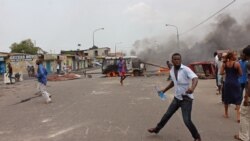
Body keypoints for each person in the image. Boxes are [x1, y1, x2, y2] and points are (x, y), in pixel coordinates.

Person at [148, 53, 201, 141]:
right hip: (177, 98)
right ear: (172, 61)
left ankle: (197, 137)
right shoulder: (172, 70)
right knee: (167, 115)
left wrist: (192, 88)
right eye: (175, 59)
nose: (177, 61)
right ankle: (157, 129)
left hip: (186, 99)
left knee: (187, 120)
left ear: (181, 60)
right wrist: (164, 90)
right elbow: (173, 82)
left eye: (178, 59)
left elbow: (195, 78)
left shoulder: (185, 69)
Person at [220, 51, 242, 122]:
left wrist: (226, 72)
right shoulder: (237, 64)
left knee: (227, 98)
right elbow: (240, 74)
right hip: (235, 82)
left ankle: (226, 114)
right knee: (237, 98)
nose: (235, 56)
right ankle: (238, 117)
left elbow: (221, 73)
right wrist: (236, 74)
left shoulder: (224, 64)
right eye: (234, 55)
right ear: (232, 56)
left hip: (227, 83)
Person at [234, 45, 250, 141]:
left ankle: (244, 137)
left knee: (244, 114)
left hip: (249, 93)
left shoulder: (249, 64)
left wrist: (247, 96)